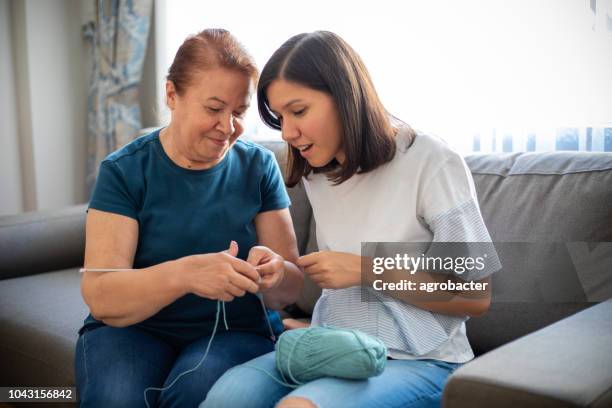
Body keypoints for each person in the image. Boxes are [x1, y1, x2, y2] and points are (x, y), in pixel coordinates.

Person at [201, 30, 500, 408]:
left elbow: (477, 296)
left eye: (299, 111)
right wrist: (278, 271)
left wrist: (367, 270)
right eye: (280, 117)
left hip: (423, 361)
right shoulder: (316, 170)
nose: (289, 132)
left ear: (344, 97)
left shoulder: (432, 162)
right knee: (228, 395)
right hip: (332, 349)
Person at [75, 28, 303, 407]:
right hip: (131, 330)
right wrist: (186, 275)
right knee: (118, 398)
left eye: (239, 112)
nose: (228, 127)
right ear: (171, 95)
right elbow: (102, 295)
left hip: (234, 332)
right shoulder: (124, 171)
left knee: (197, 393)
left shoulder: (259, 167)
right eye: (214, 109)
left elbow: (291, 288)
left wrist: (274, 274)